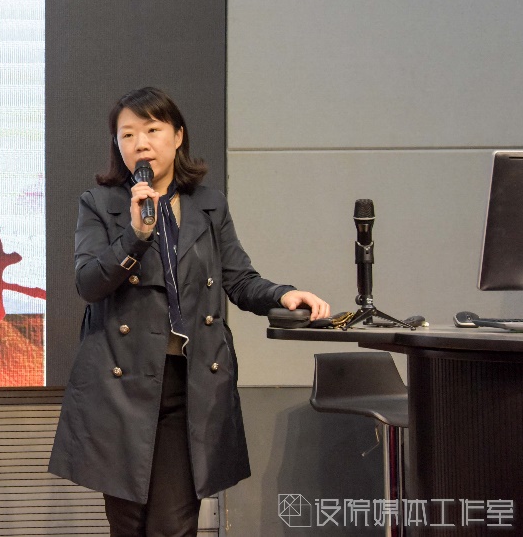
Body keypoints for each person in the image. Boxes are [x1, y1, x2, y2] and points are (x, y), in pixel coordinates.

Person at [49, 87, 329, 537]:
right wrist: (136, 235)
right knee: (128, 526)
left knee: (173, 525)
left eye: (152, 130)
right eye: (127, 134)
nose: (140, 143)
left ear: (178, 136)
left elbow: (239, 279)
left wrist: (283, 295)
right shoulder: (100, 204)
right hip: (120, 387)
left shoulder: (208, 205)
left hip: (191, 384)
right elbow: (89, 284)